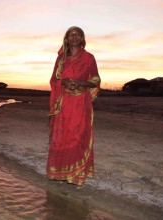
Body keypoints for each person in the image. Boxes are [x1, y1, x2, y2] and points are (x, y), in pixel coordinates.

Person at [47, 26, 101, 186]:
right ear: (67, 39)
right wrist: (63, 81)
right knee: (62, 136)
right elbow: (53, 80)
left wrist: (81, 82)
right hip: (63, 103)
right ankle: (61, 173)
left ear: (82, 38)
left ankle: (76, 176)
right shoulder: (61, 58)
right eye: (71, 35)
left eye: (78, 34)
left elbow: (96, 80)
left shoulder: (89, 58)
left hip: (80, 103)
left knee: (78, 135)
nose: (75, 37)